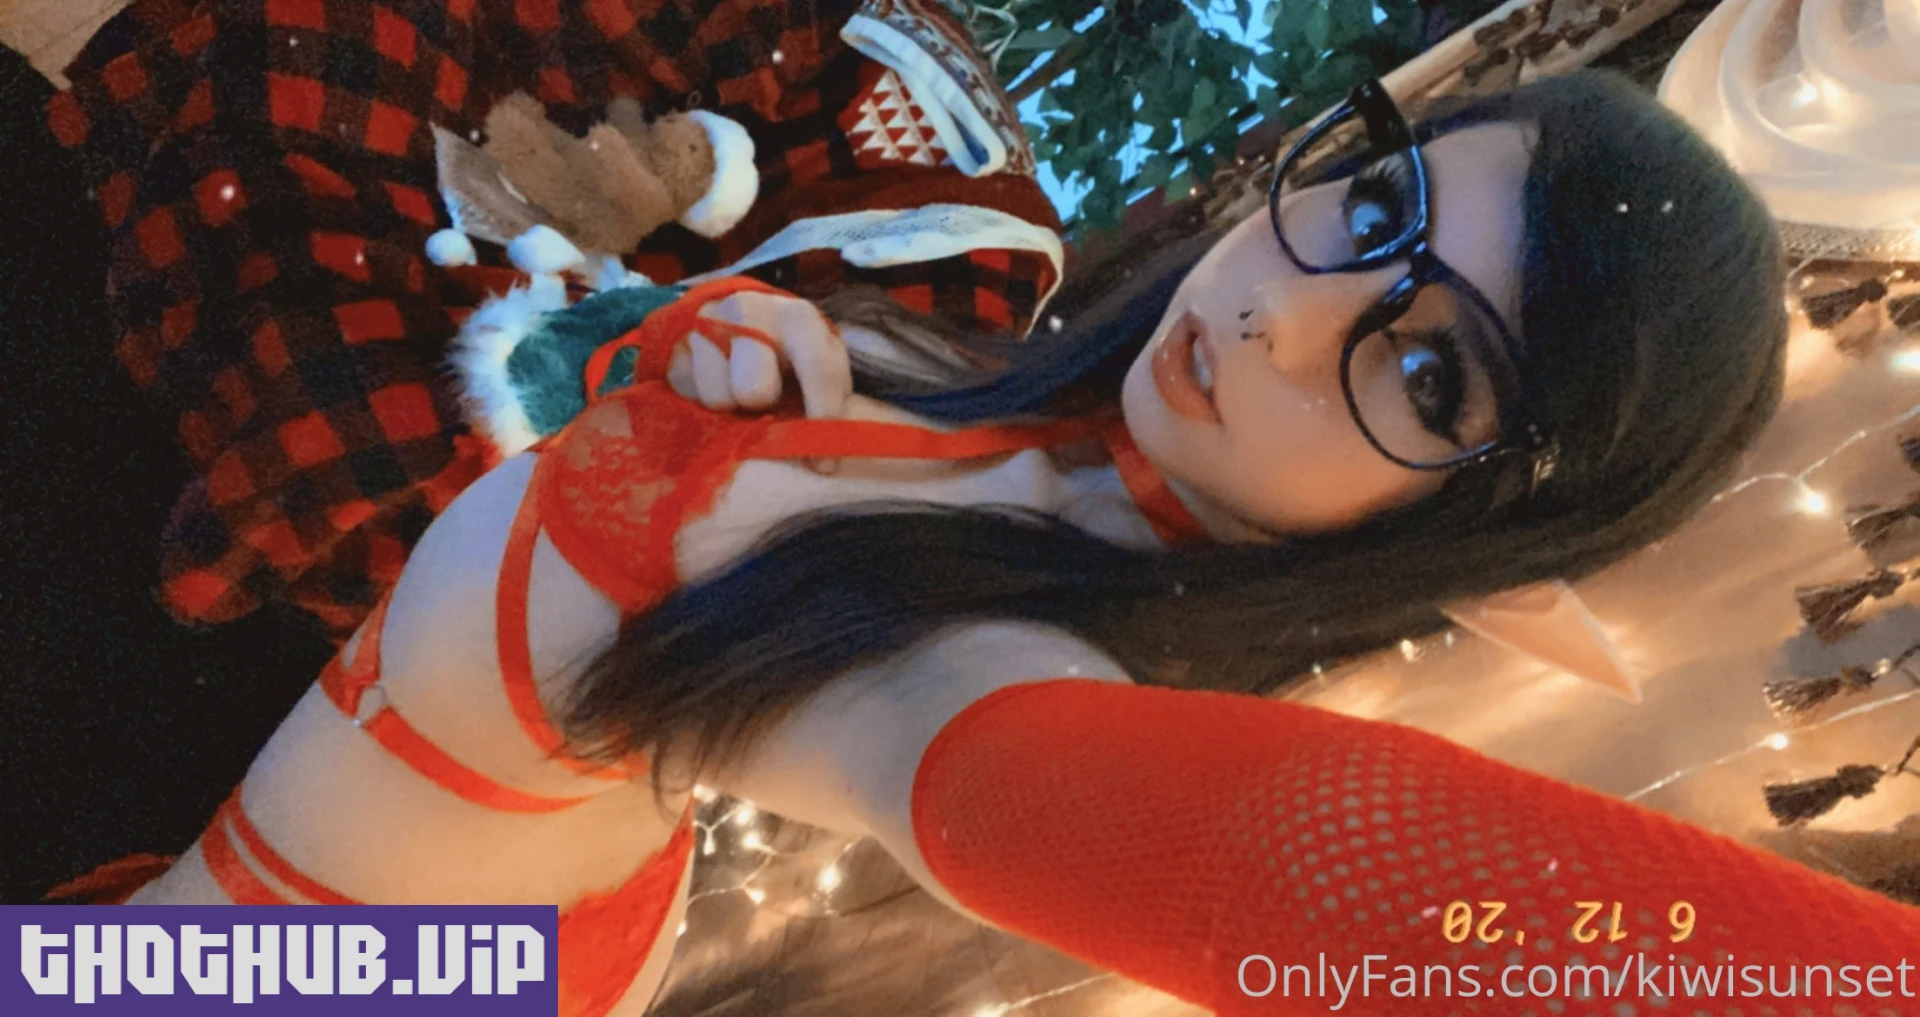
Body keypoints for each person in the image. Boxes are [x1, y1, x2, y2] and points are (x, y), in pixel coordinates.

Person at [78, 59, 1920, 1014]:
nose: (1285, 316)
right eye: (1375, 208)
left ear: (1480, 535)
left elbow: (1284, 861)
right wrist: (711, 346)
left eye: (1431, 374)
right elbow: (627, 411)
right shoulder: (1018, 402)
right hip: (491, 902)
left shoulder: (977, 680)